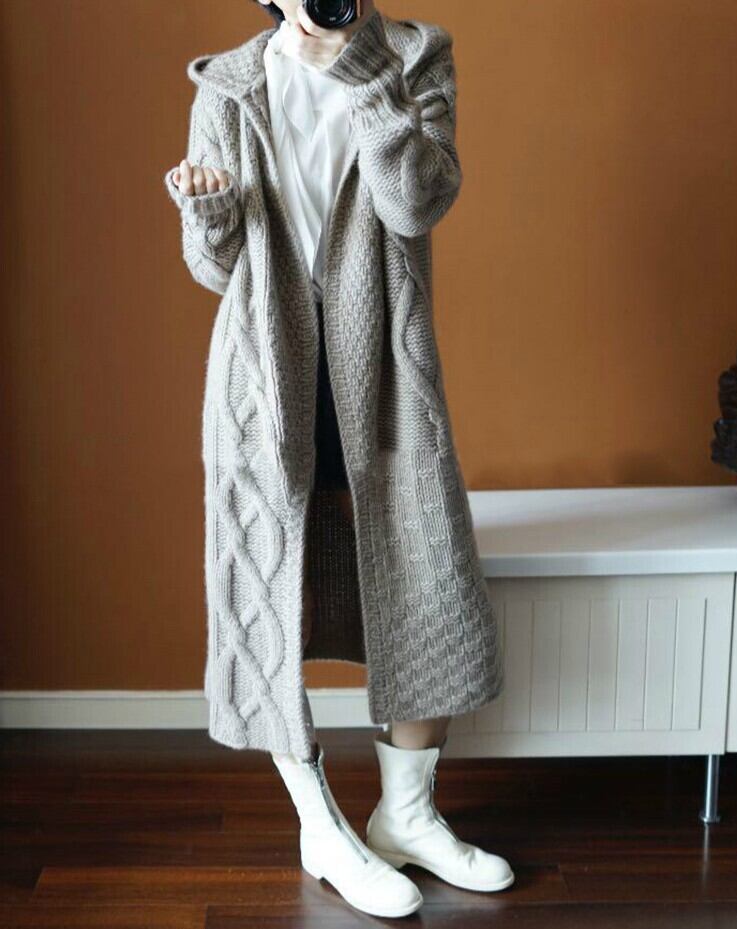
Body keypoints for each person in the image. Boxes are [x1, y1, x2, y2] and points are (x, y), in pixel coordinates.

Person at [164, 0, 513, 917]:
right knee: (273, 598)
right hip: (268, 381)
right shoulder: (228, 86)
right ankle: (320, 827)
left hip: (386, 372)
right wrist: (209, 210)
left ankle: (407, 816)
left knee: (428, 585)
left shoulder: (414, 56)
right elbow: (215, 268)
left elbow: (417, 202)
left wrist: (367, 78)